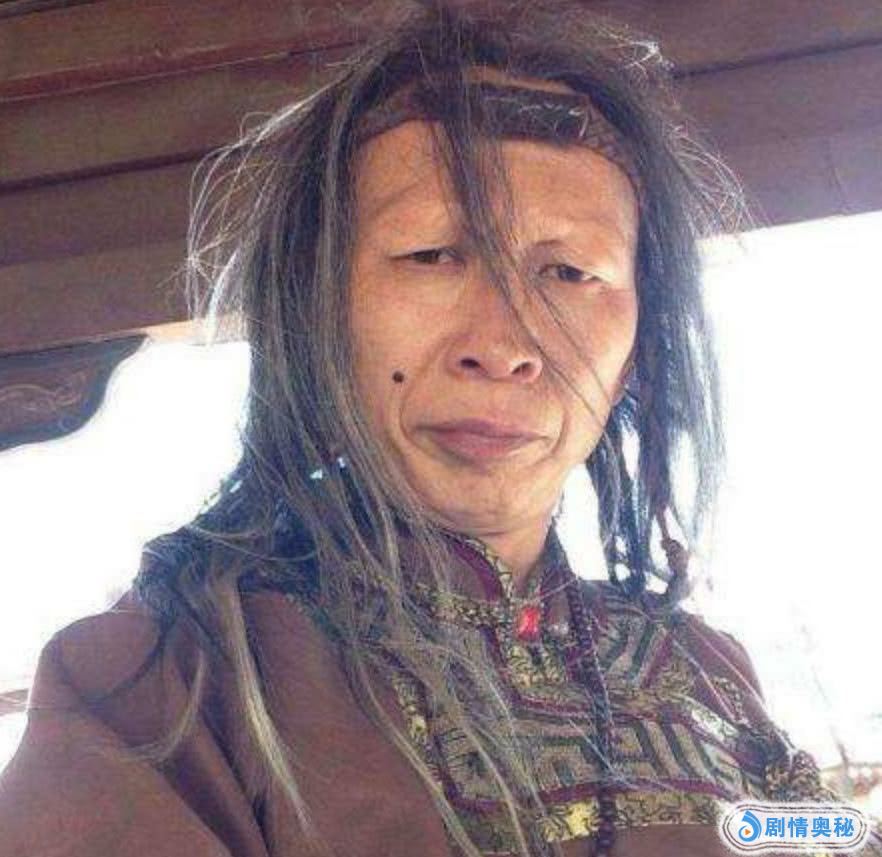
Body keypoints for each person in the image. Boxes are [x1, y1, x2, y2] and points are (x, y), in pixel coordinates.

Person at [0, 2, 877, 856]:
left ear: (636, 351)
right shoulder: (156, 691)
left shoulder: (707, 673)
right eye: (431, 255)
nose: (503, 345)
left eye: (570, 272)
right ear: (317, 315)